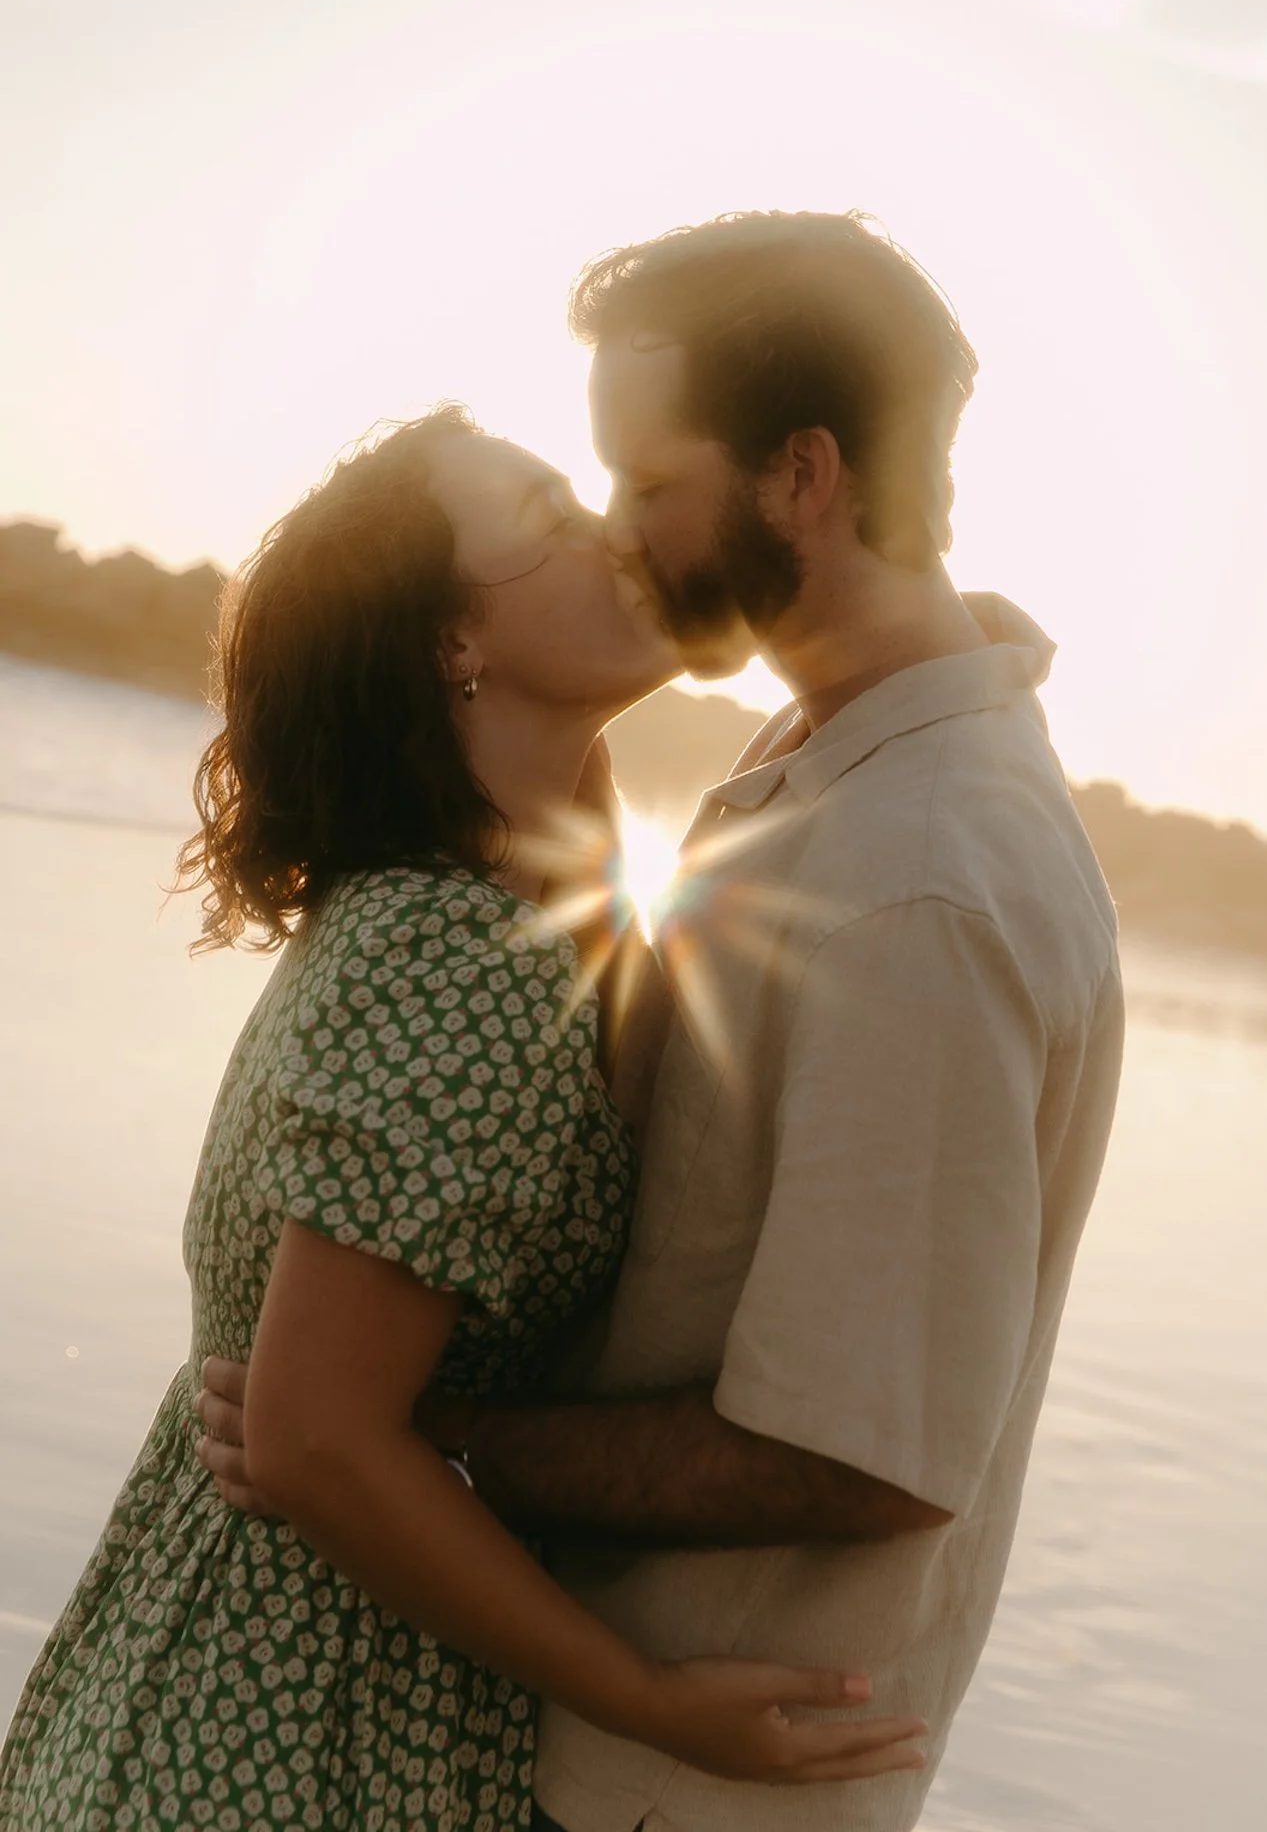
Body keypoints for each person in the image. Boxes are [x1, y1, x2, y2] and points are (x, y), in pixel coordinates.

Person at [199, 211, 1125, 1832]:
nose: (622, 535)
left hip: (692, 1777)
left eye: (645, 486)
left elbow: (855, 1454)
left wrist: (421, 1431)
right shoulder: (823, 760)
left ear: (801, 478)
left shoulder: (919, 884)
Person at [0, 404, 929, 1832]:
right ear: (450, 642)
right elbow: (317, 1438)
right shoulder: (454, 955)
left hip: (224, 1690)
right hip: (295, 1736)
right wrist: (654, 1704)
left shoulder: (450, 920)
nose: (616, 531)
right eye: (552, 520)